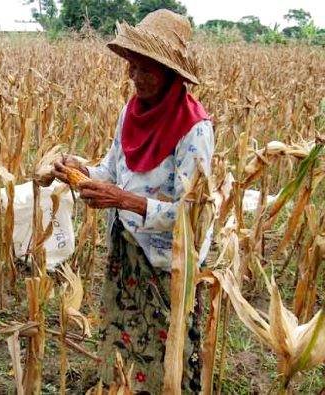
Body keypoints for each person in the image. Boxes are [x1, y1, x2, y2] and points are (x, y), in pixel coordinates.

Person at [50, 10, 214, 394]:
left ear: (171, 74)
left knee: (166, 346)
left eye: (145, 69)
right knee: (123, 333)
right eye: (131, 66)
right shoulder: (131, 112)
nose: (133, 77)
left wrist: (124, 200)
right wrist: (82, 170)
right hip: (126, 249)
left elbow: (192, 215)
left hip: (166, 264)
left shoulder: (194, 130)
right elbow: (112, 170)